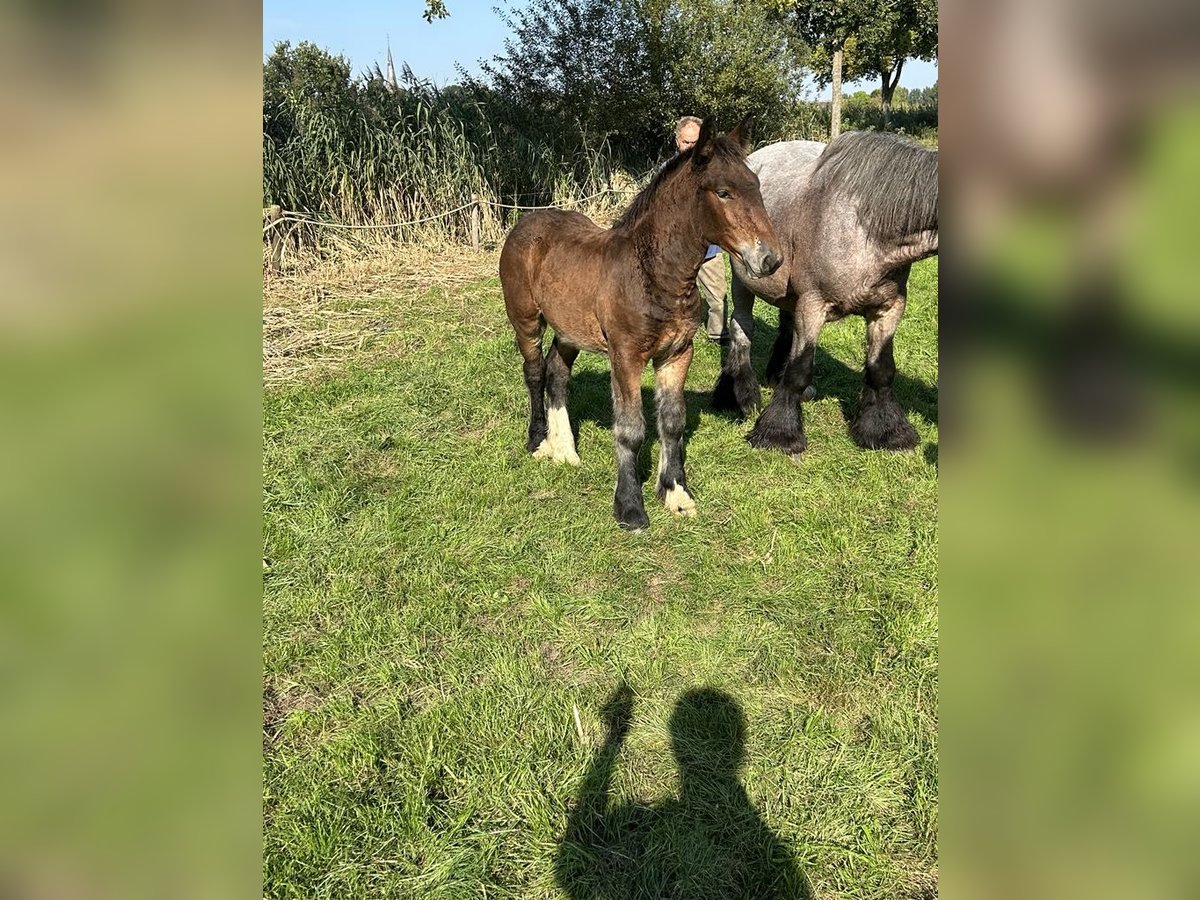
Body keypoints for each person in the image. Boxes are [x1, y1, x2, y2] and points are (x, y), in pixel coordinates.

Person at [673, 116, 729, 342]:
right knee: (674, 297)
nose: (691, 148)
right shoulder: (668, 171)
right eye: (687, 143)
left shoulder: (714, 173)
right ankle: (675, 337)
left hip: (708, 250)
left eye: (696, 143)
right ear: (677, 142)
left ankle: (717, 333)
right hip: (677, 251)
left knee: (718, 295)